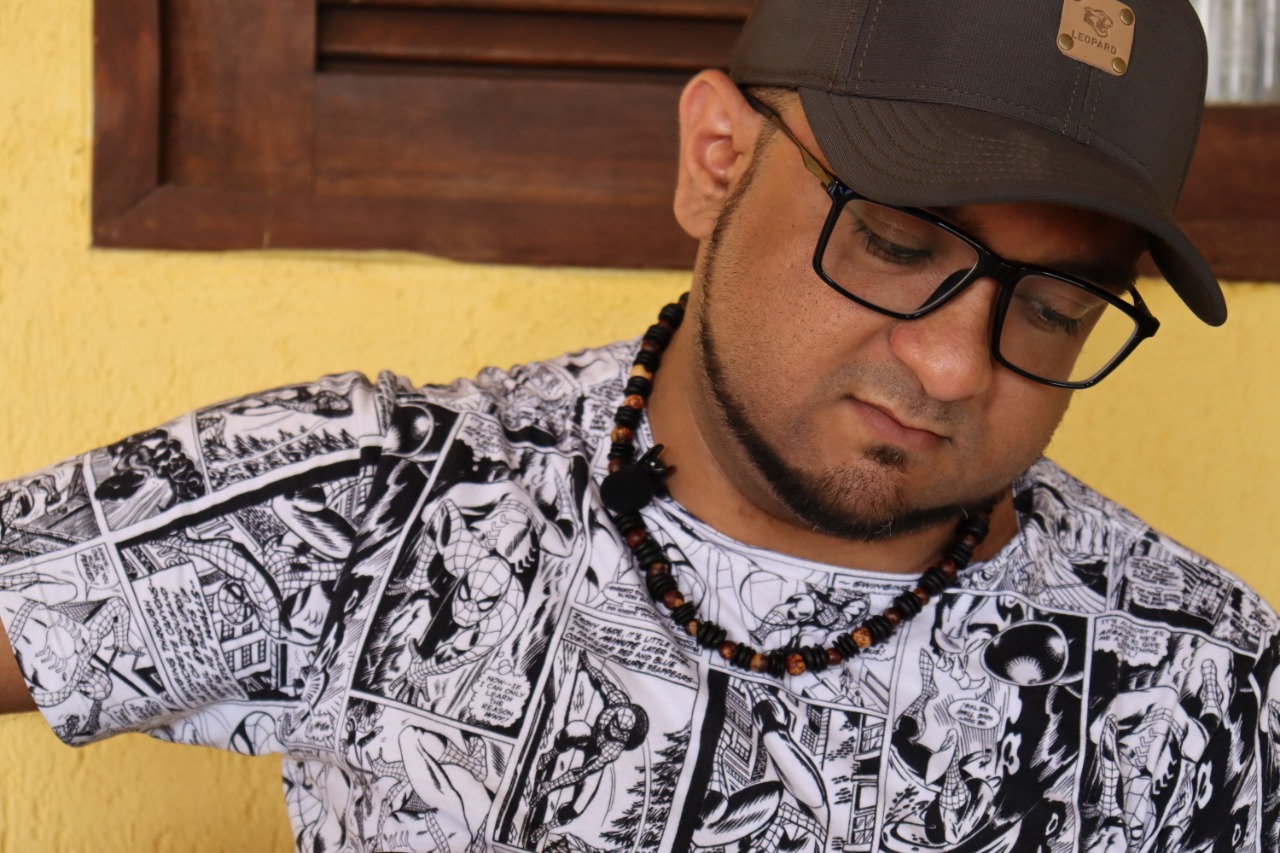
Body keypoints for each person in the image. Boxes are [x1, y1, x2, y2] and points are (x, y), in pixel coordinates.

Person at [1, 0, 1276, 850]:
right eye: (894, 244)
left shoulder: (1213, 688)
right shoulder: (377, 503)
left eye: (1053, 309)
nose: (950, 365)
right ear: (716, 159)